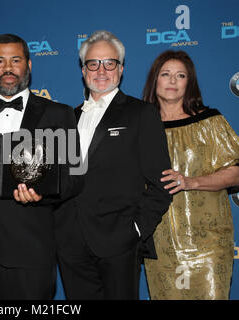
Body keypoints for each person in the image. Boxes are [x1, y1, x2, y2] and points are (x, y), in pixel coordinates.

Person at [0, 33, 83, 299]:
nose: (8, 68)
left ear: (29, 65)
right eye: (0, 61)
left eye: (15, 60)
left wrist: (42, 194)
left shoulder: (58, 113)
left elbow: (74, 178)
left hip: (31, 254)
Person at [55, 30, 173, 300]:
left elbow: (161, 183)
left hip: (118, 241)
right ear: (83, 70)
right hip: (70, 242)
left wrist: (136, 230)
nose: (101, 70)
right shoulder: (66, 118)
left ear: (121, 68)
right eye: (93, 63)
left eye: (109, 63)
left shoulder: (141, 113)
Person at [142, 50, 239, 300]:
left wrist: (190, 182)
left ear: (189, 83)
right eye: (166, 74)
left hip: (209, 243)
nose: (172, 81)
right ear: (155, 80)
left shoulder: (210, 122)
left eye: (180, 75)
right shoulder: (140, 128)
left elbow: (234, 175)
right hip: (160, 241)